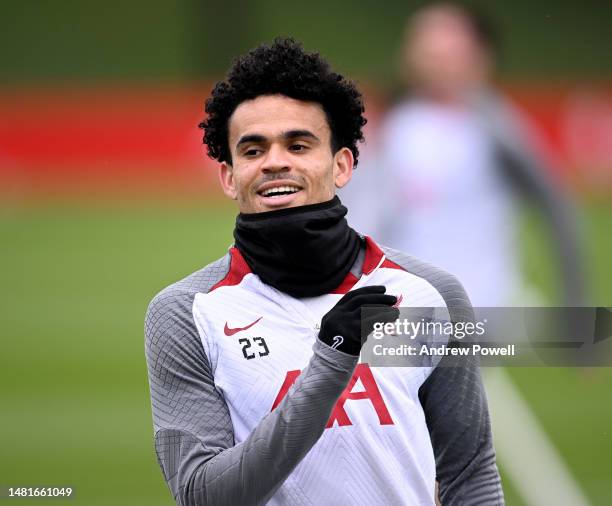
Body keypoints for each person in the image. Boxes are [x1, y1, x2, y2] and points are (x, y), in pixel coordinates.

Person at [145, 38, 504, 505]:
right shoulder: (184, 314)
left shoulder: (430, 292)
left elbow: (470, 474)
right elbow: (203, 497)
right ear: (229, 177)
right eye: (253, 151)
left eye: (298, 144)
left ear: (342, 164)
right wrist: (332, 361)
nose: (275, 162)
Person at [343, 2, 583, 307]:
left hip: (481, 303)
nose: (434, 57)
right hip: (405, 301)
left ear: (479, 57)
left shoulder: (495, 126)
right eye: (424, 43)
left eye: (447, 47)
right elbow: (361, 211)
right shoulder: (390, 124)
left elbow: (556, 205)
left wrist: (574, 299)